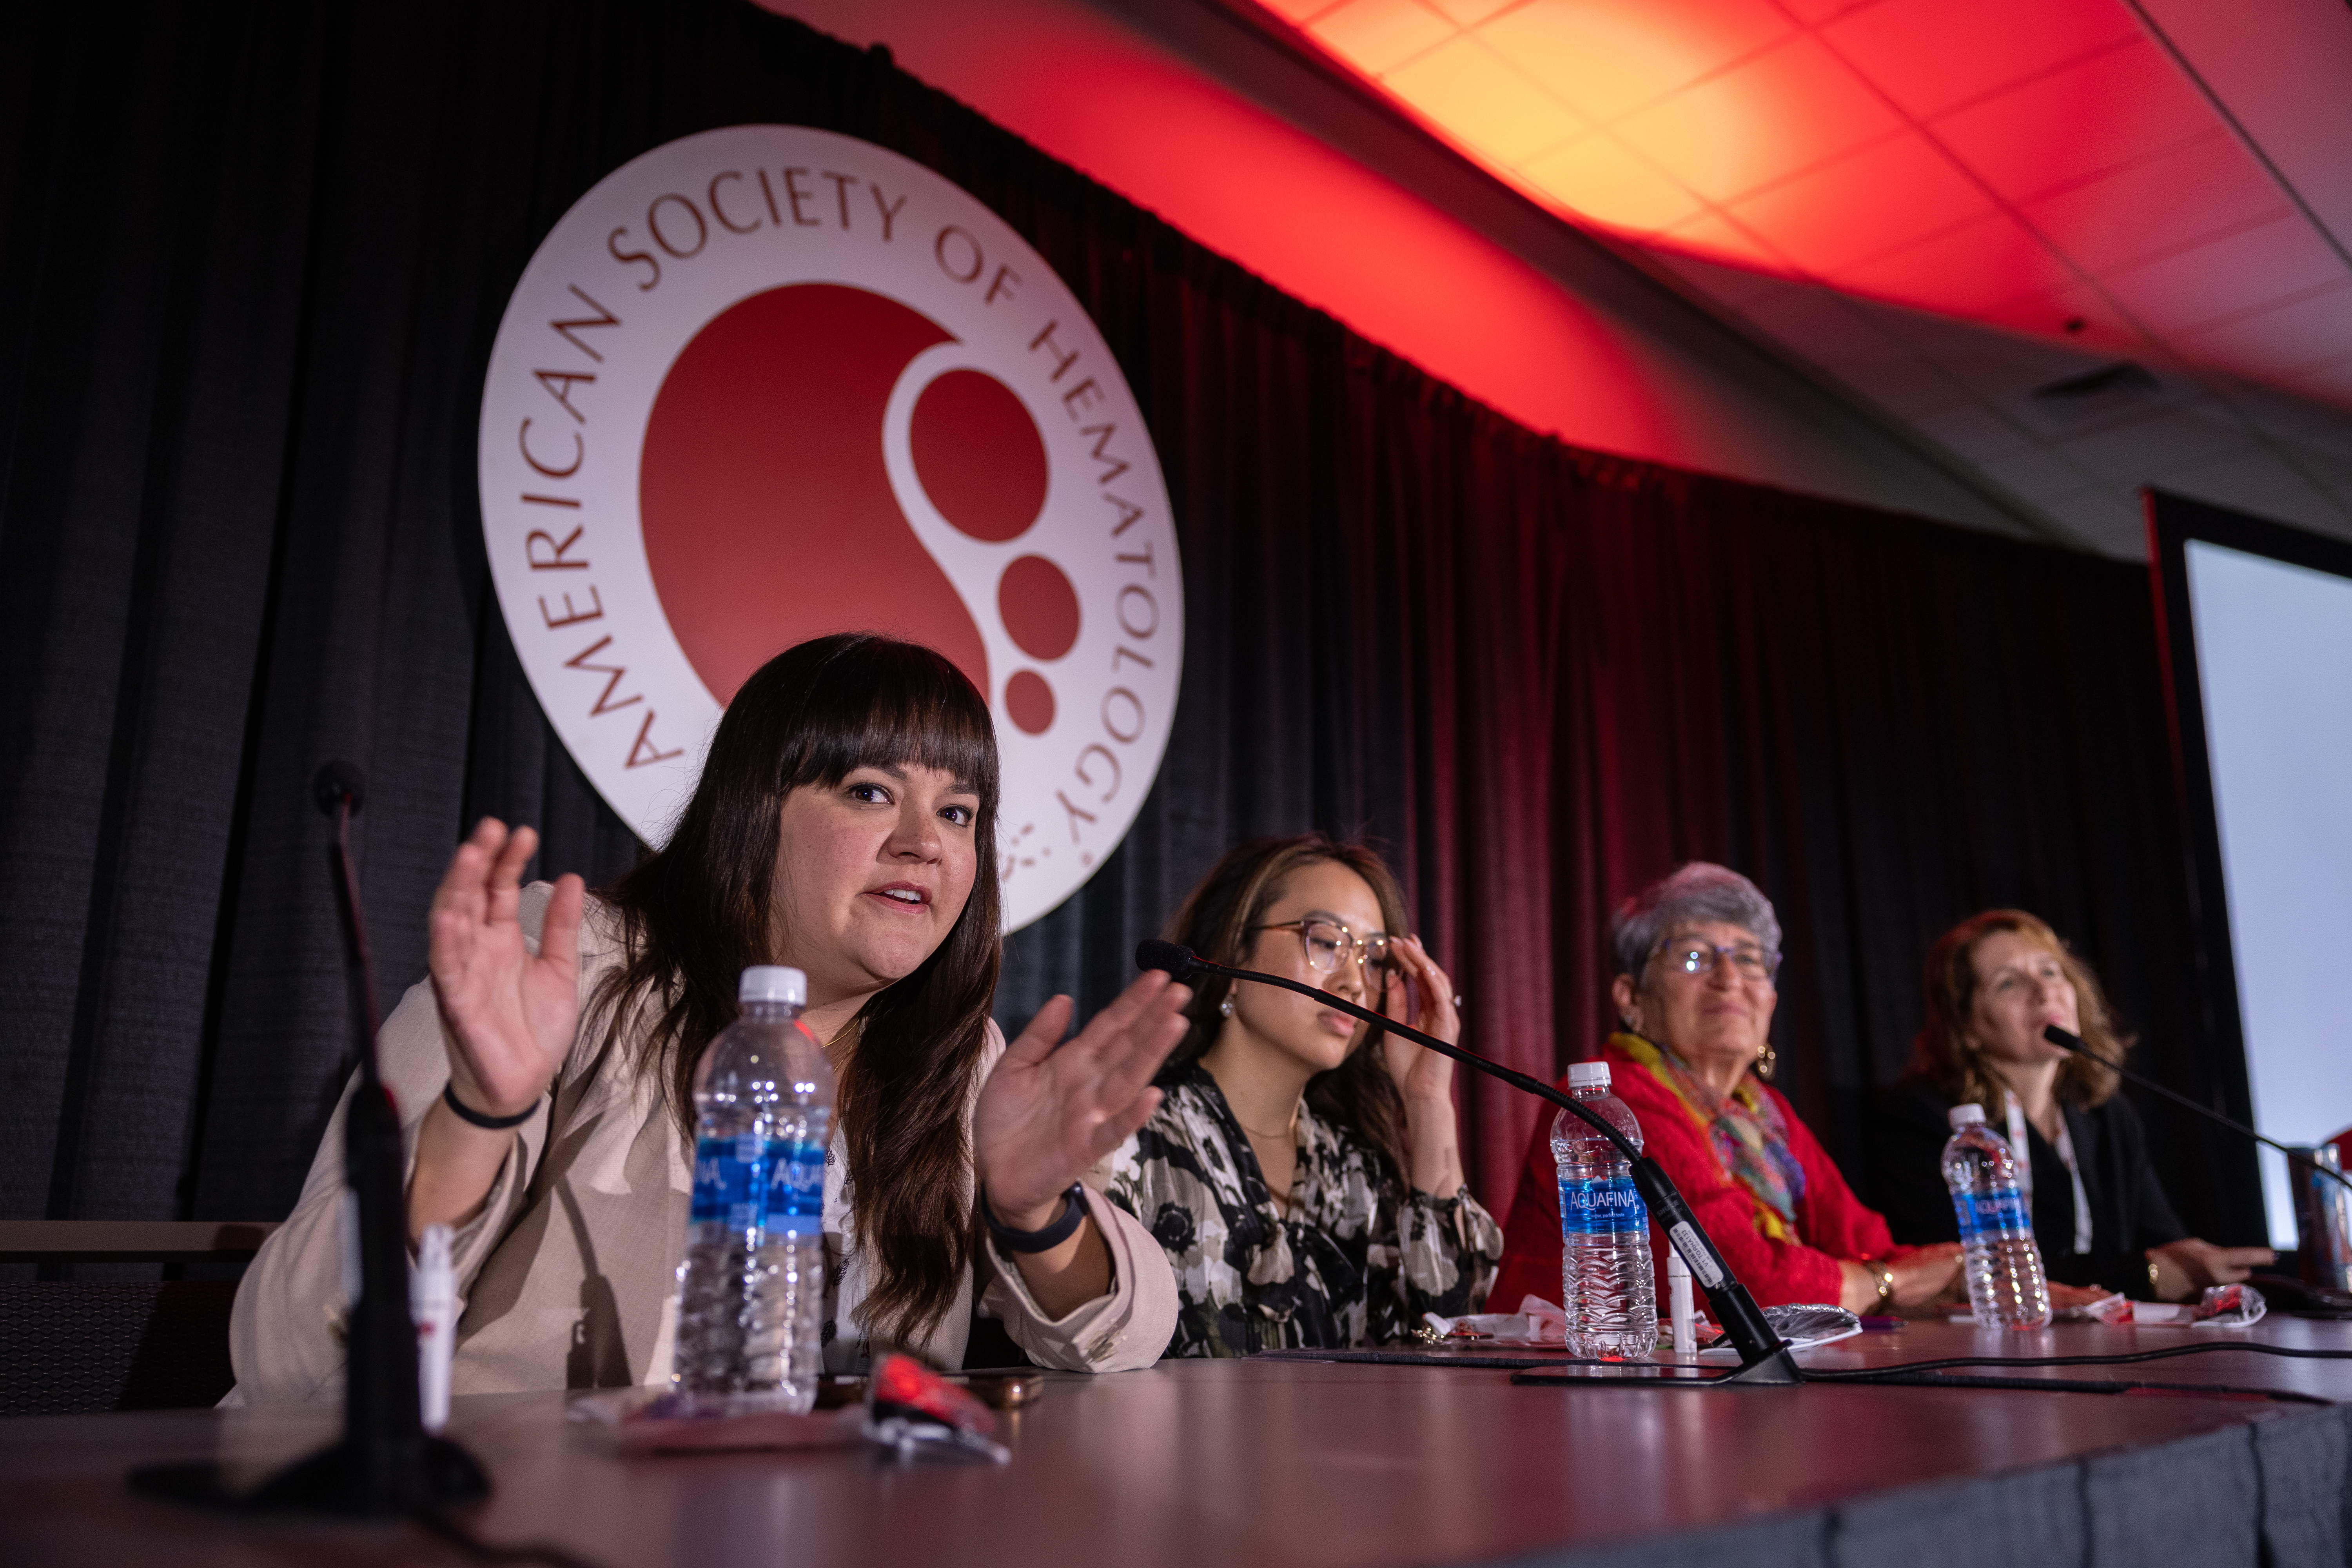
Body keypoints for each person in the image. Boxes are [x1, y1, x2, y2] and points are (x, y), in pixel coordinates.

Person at [228, 634, 1187, 1401]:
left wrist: (1035, 1214)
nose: (922, 843)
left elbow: (1134, 1338)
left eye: (959, 812)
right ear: (752, 808)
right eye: (871, 791)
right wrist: (478, 1116)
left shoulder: (965, 1060)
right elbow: (283, 1354)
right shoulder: (571, 965)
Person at [1490, 863, 1960, 1316]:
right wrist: (1888, 1283)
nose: (1730, 979)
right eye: (1694, 956)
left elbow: (1866, 1241)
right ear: (1632, 997)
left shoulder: (1765, 1112)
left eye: (1749, 960)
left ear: (1771, 1000)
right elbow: (1745, 1282)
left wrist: (1959, 1270)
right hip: (1583, 1364)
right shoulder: (1611, 1101)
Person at [1103, 835, 1502, 1355]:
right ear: (1234, 953)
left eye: (1374, 959)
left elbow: (1454, 1334)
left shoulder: (1355, 1172)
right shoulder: (1133, 1138)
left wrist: (1427, 1099)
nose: (1355, 983)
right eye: (1328, 942)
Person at [1868, 909, 2273, 1301]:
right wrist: (2143, 1274)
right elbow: (1956, 1271)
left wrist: (2198, 1265)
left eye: (2050, 972)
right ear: (1966, 1026)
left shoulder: (2105, 1114)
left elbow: (2162, 1241)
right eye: (2008, 983)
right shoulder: (1926, 1119)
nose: (2044, 992)